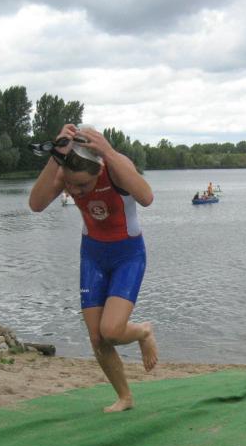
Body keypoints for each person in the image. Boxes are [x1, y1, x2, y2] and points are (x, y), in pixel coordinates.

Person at [29, 124, 157, 413]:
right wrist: (56, 157)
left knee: (111, 330)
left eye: (82, 186)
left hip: (128, 255)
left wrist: (109, 152)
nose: (74, 191)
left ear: (99, 171)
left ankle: (144, 332)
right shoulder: (67, 174)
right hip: (92, 255)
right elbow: (36, 204)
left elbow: (147, 198)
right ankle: (124, 396)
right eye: (70, 185)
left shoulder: (115, 168)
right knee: (97, 337)